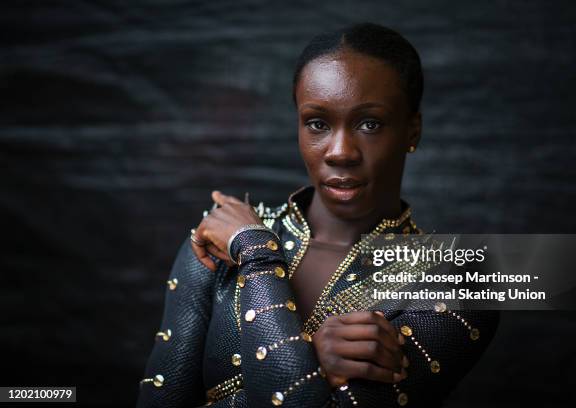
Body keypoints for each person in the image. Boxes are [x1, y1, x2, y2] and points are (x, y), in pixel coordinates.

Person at [137, 22, 499, 408]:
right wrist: (313, 365)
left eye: (369, 123)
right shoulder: (221, 242)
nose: (340, 151)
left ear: (413, 130)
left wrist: (258, 257)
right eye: (318, 123)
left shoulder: (459, 279)